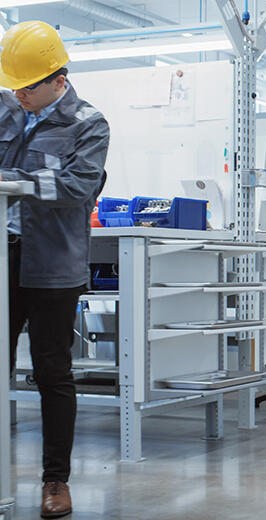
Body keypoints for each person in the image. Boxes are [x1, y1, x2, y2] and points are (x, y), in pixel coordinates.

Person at [0, 21, 109, 518]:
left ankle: (55, 481)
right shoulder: (6, 109)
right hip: (6, 253)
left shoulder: (88, 123)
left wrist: (16, 182)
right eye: (14, 85)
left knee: (52, 372)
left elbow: (77, 189)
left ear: (58, 79)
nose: (19, 95)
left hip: (53, 264)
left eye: (28, 87)